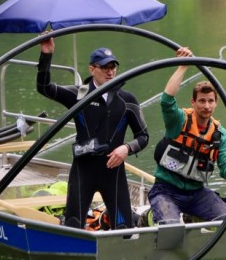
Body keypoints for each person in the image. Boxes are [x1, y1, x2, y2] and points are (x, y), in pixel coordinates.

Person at [36, 36, 149, 229]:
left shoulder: (127, 100)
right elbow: (44, 88)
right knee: (73, 227)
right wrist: (46, 55)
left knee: (125, 229)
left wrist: (126, 148)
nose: (110, 72)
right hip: (83, 171)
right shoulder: (78, 94)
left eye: (113, 67)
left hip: (113, 173)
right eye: (105, 67)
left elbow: (143, 136)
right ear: (92, 69)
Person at [147, 46, 226, 225]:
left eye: (210, 101)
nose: (206, 106)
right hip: (166, 190)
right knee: (171, 227)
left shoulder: (220, 135)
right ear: (193, 102)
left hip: (197, 193)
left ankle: (191, 216)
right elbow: (166, 100)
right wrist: (183, 66)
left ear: (216, 103)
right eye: (202, 101)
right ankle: (150, 217)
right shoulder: (179, 120)